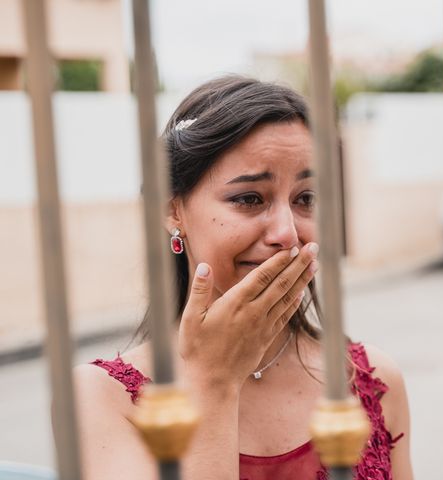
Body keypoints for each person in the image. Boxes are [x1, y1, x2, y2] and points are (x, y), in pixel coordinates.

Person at [65, 76, 413, 480]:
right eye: (249, 198)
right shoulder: (101, 398)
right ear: (173, 211)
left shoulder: (373, 379)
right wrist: (215, 381)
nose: (286, 234)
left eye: (306, 199)